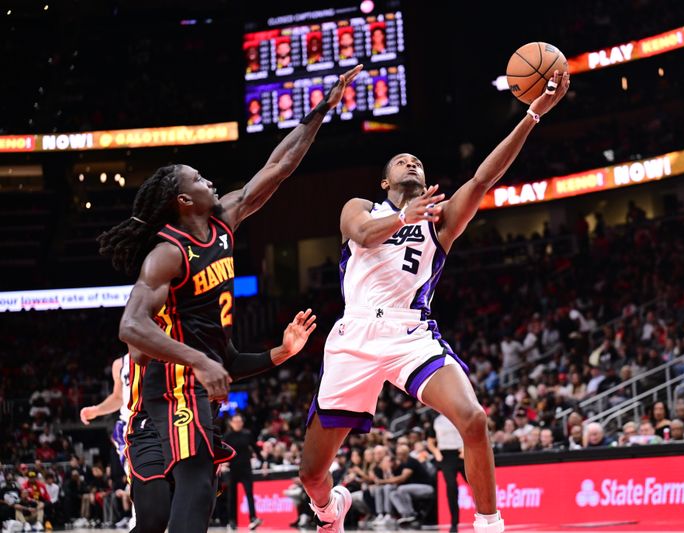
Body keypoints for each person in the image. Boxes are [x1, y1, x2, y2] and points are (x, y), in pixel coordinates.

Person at [297, 70, 569, 533]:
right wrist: (403, 215)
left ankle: (489, 523)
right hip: (353, 337)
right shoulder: (361, 208)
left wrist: (531, 115)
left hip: (410, 334)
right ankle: (330, 511)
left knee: (475, 419)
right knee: (311, 473)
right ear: (384, 182)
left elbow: (484, 177)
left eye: (416, 161)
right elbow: (361, 234)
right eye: (400, 161)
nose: (410, 163)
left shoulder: (438, 224)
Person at [97, 65, 362, 533]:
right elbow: (130, 328)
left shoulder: (224, 222)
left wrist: (321, 109)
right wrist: (197, 361)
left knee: (163, 514)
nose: (209, 182)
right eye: (198, 179)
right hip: (163, 392)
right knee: (180, 501)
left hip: (189, 391)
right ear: (183, 200)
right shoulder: (166, 255)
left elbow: (277, 168)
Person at [80, 353, 136, 529]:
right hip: (131, 428)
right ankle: (139, 520)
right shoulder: (120, 363)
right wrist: (97, 410)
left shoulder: (160, 354)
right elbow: (118, 397)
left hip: (159, 422)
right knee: (139, 477)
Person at [224, 413, 261, 530]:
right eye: (236, 421)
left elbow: (255, 448)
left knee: (249, 493)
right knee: (232, 496)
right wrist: (222, 463)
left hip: (246, 468)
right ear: (231, 423)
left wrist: (263, 461)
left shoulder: (247, 434)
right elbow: (222, 451)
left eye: (240, 421)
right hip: (233, 469)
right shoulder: (227, 436)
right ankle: (232, 520)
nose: (238, 423)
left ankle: (253, 518)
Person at [428, 414, 464, 533]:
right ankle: (454, 523)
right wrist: (436, 452)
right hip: (446, 456)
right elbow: (430, 441)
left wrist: (465, 448)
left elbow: (469, 432)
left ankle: (485, 515)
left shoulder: (459, 415)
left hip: (462, 453)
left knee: (475, 484)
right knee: (451, 487)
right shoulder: (436, 420)